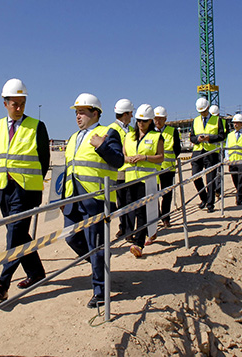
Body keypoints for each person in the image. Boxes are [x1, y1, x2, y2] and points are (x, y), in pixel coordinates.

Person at [0, 78, 49, 301]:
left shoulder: (37, 126)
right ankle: (36, 273)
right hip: (3, 188)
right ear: (5, 103)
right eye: (15, 103)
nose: (19, 108)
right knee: (18, 234)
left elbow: (44, 160)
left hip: (26, 190)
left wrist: (33, 184)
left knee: (14, 236)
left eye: (22, 103)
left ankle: (2, 285)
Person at [63, 93, 124, 308]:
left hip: (96, 199)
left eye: (82, 112)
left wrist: (102, 146)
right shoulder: (72, 138)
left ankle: (100, 291)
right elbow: (69, 169)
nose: (78, 116)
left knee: (96, 245)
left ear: (95, 113)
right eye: (76, 112)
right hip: (73, 198)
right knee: (70, 238)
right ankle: (99, 265)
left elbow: (118, 161)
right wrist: (62, 197)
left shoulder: (108, 133)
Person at [124, 104, 164, 255]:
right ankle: (137, 234)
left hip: (146, 180)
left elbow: (161, 157)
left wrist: (144, 157)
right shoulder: (128, 136)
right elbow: (123, 156)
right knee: (131, 210)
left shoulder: (156, 136)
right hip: (130, 179)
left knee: (142, 211)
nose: (141, 123)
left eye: (145, 121)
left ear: (150, 122)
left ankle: (138, 243)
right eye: (139, 120)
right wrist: (128, 159)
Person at [190, 97, 226, 213]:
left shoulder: (217, 120)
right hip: (198, 151)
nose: (202, 113)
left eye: (204, 111)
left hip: (211, 153)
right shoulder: (195, 121)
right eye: (200, 112)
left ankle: (210, 204)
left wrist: (209, 138)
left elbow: (221, 136)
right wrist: (198, 139)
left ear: (208, 108)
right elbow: (192, 137)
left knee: (210, 179)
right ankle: (204, 198)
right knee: (195, 176)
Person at [108, 99, 135, 239]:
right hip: (118, 172)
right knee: (121, 202)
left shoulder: (131, 130)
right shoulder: (112, 129)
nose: (132, 116)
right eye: (130, 113)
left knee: (130, 201)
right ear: (125, 114)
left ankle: (129, 230)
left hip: (130, 172)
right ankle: (123, 227)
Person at [153, 106, 181, 227]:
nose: (158, 122)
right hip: (153, 169)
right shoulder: (150, 132)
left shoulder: (172, 131)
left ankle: (165, 218)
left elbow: (177, 149)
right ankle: (157, 215)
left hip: (168, 168)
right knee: (153, 195)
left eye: (160, 119)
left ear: (165, 119)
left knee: (167, 195)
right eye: (156, 119)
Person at [225, 114, 242, 205]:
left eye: (237, 123)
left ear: (241, 123)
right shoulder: (230, 135)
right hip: (232, 160)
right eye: (234, 123)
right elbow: (227, 148)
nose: (235, 125)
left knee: (241, 179)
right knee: (235, 179)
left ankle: (239, 197)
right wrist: (227, 158)